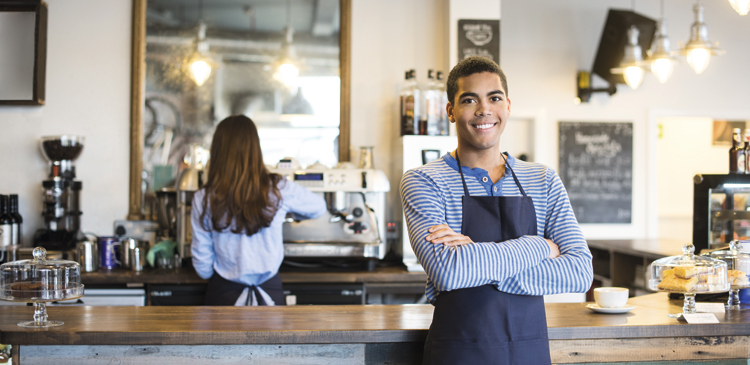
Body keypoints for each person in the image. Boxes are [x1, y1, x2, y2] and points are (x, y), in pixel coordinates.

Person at [400, 57, 593, 364]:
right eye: (469, 99)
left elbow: (580, 272)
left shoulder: (543, 180)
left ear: (508, 106)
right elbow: (450, 273)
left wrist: (475, 262)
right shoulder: (424, 181)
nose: (483, 110)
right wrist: (540, 245)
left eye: (494, 98)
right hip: (458, 353)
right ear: (450, 111)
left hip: (528, 352)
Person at [191, 115, 326, 306]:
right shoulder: (278, 188)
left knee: (221, 338)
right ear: (255, 149)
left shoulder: (203, 197)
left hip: (223, 295)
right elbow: (318, 207)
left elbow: (203, 266)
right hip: (270, 292)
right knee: (270, 338)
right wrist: (288, 212)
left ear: (218, 151)